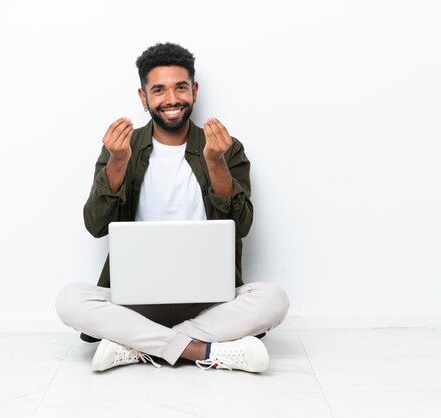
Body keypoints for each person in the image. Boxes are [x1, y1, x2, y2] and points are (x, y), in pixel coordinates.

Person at [55, 42, 289, 373]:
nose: (172, 99)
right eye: (159, 90)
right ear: (143, 97)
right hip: (136, 304)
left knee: (274, 298)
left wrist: (216, 163)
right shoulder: (122, 149)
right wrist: (118, 163)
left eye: (181, 87)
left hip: (210, 302)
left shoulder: (224, 148)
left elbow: (242, 225)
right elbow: (95, 225)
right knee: (69, 299)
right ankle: (203, 350)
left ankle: (136, 345)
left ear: (193, 90)